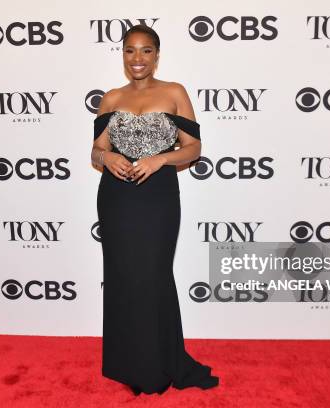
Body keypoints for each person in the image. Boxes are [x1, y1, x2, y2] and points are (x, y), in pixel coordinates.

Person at [91, 24, 219, 396]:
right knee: (122, 276)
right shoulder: (111, 98)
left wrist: (160, 160)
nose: (138, 59)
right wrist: (107, 156)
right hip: (116, 196)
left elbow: (194, 149)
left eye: (146, 51)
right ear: (123, 55)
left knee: (153, 274)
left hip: (157, 194)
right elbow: (94, 151)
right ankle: (127, 362)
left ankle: (160, 361)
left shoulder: (174, 91)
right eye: (130, 51)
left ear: (156, 54)